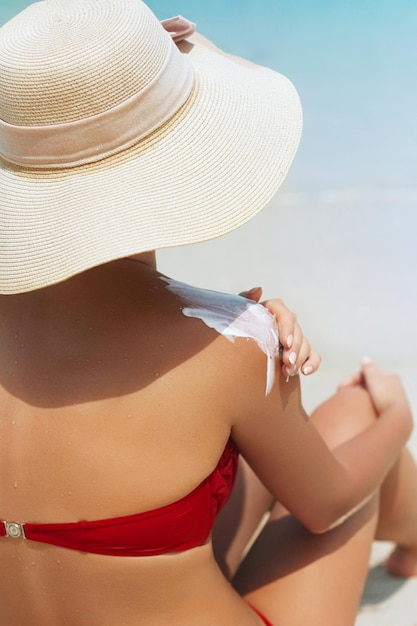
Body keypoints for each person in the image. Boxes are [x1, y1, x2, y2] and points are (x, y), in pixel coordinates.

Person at [0, 2, 416, 625]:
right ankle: (411, 540)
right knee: (358, 411)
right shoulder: (227, 345)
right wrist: (397, 416)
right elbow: (324, 506)